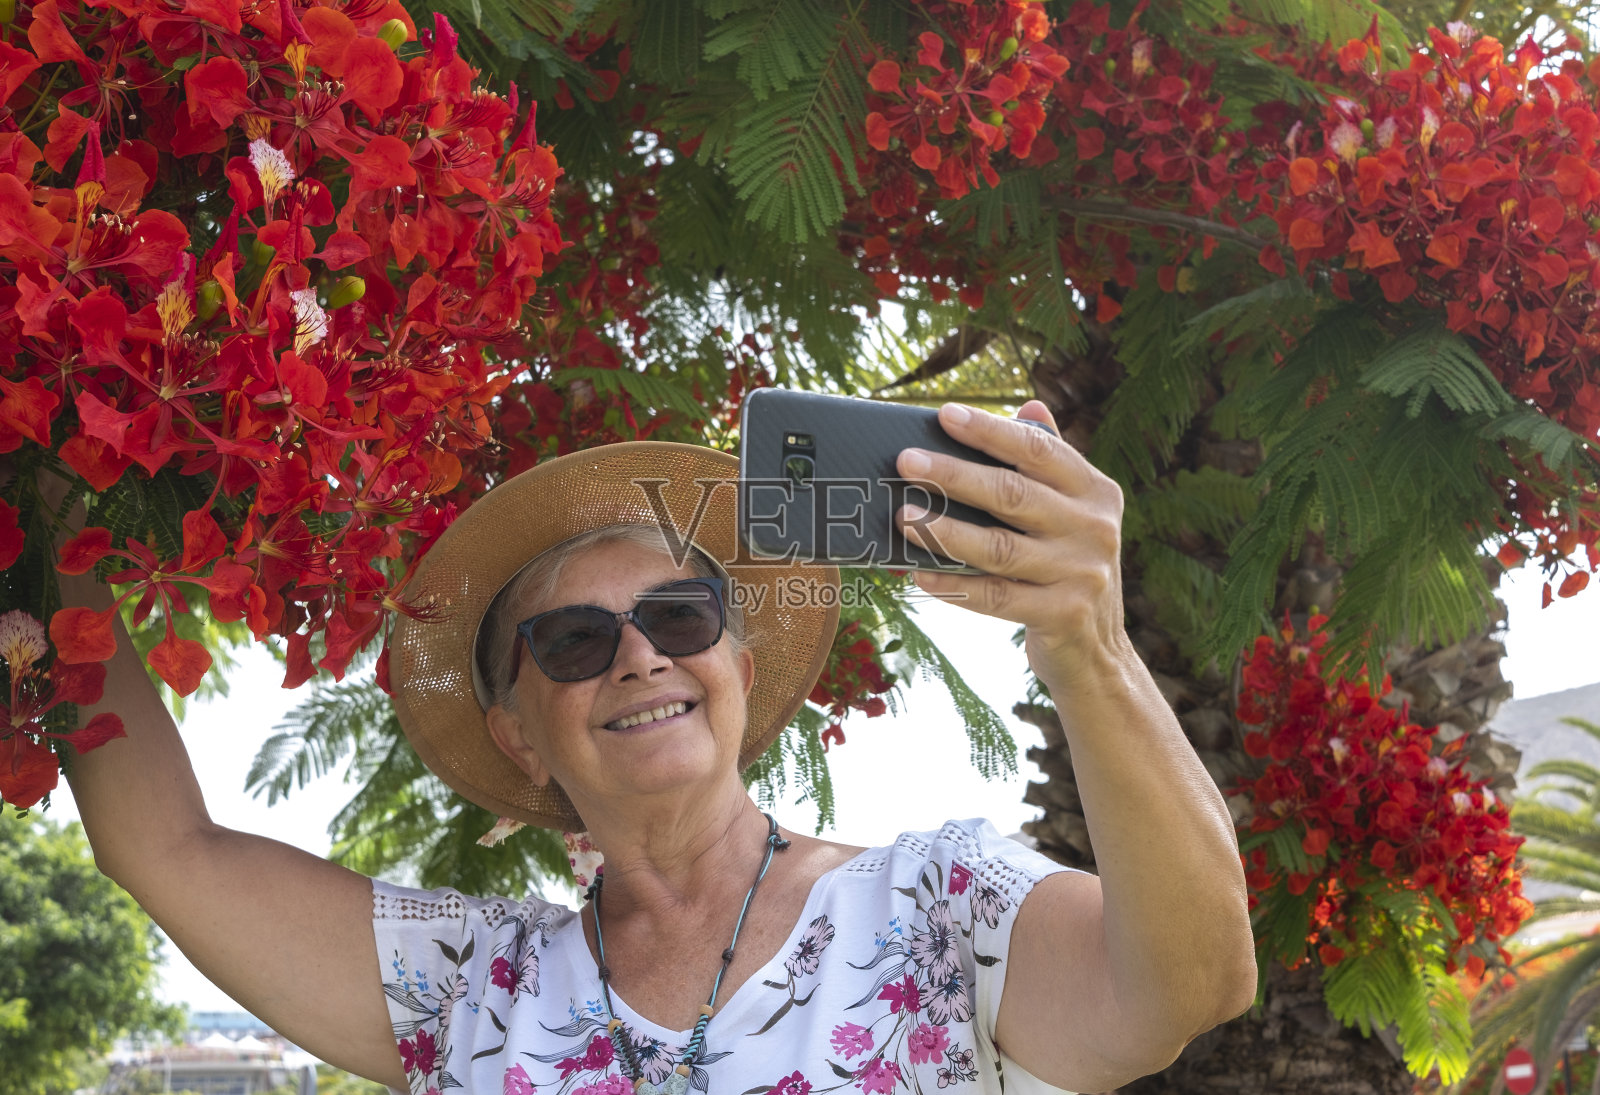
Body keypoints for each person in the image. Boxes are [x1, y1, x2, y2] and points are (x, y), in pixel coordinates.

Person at [58, 401, 1256, 1095]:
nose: (639, 656)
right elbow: (166, 848)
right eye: (574, 641)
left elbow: (1192, 986)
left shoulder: (937, 903)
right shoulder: (475, 987)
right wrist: (44, 490)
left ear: (739, 669)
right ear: (518, 736)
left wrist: (1088, 646)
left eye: (680, 618)